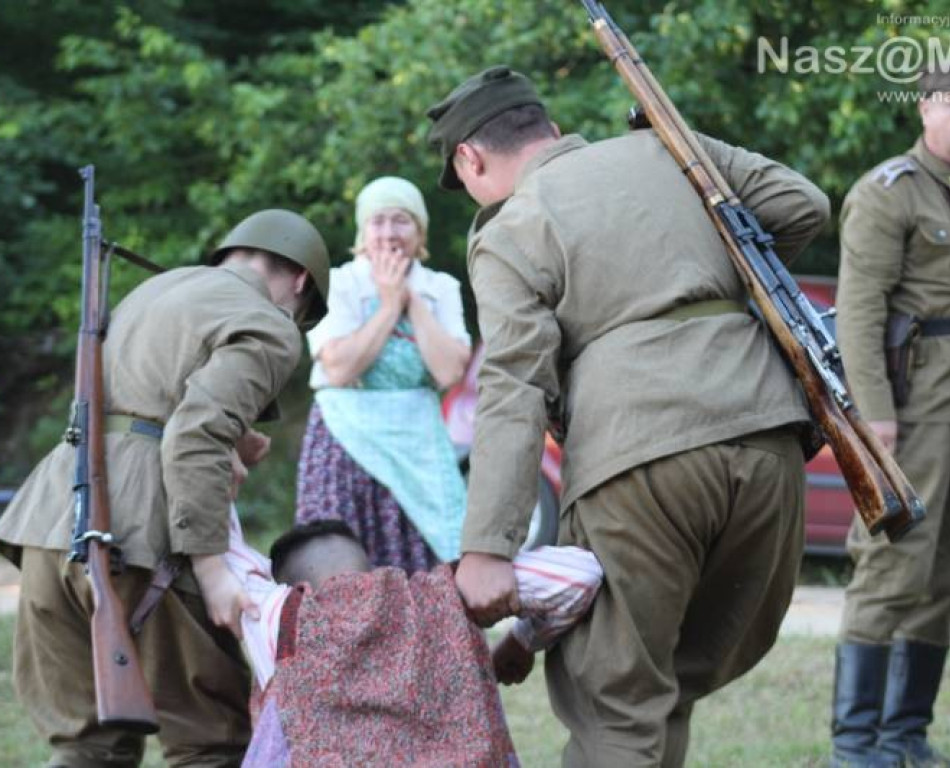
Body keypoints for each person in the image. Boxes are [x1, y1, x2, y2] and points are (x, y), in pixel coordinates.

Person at [425, 65, 830, 766]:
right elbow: (802, 205)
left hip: (636, 459)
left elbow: (515, 381)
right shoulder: (669, 152)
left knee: (617, 704)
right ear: (553, 130)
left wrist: (488, 548)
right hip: (767, 439)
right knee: (667, 686)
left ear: (469, 158)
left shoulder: (512, 227)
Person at [0, 209, 331, 768]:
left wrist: (236, 440)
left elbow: (141, 404)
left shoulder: (154, 290)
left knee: (85, 747)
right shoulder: (270, 323)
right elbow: (194, 432)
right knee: (210, 742)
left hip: (52, 521)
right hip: (140, 535)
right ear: (300, 281)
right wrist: (212, 570)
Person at [831, 63, 950, 768]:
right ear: (924, 109)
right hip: (919, 413)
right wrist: (874, 415)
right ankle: (857, 746)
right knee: (894, 568)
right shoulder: (888, 192)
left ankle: (904, 736)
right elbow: (859, 310)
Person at [223, 513, 602, 767]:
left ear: (290, 586)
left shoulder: (280, 618)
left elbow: (224, 545)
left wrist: (229, 450)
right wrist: (521, 640)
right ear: (369, 565)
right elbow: (580, 574)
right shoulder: (448, 594)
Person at [297, 176, 471, 573]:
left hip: (419, 442)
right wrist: (389, 307)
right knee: (339, 559)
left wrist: (412, 302)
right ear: (363, 231)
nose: (389, 233)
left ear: (419, 232)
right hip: (344, 438)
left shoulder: (441, 288)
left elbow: (449, 371)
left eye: (401, 220)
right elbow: (339, 368)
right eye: (378, 221)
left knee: (426, 557)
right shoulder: (338, 284)